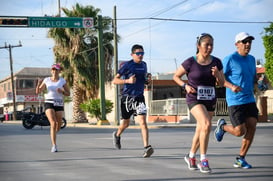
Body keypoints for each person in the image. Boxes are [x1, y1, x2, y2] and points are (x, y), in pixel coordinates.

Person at [173, 33, 225, 173]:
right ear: (198, 46)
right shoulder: (190, 62)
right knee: (207, 124)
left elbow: (221, 83)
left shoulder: (217, 62)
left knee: (201, 128)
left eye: (211, 45)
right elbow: (176, 76)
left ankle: (190, 156)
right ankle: (203, 159)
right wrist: (185, 86)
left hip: (210, 98)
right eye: (206, 45)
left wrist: (217, 75)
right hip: (194, 98)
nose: (209, 47)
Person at [214, 32, 258, 169]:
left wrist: (258, 84)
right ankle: (222, 127)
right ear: (236, 44)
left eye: (249, 42)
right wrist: (231, 86)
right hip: (235, 101)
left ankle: (241, 158)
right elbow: (219, 79)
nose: (248, 44)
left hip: (249, 99)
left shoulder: (251, 59)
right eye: (244, 42)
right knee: (240, 131)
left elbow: (253, 78)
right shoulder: (230, 59)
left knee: (252, 125)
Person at [112, 44, 154, 158]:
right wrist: (128, 81)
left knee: (143, 122)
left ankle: (147, 147)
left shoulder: (144, 65)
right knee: (125, 123)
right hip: (127, 98)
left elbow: (144, 81)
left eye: (142, 53)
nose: (140, 56)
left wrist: (147, 80)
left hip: (140, 98)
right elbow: (115, 80)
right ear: (132, 54)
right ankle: (117, 134)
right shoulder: (127, 65)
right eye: (138, 53)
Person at [36, 63, 70, 153]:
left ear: (59, 71)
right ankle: (54, 145)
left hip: (59, 103)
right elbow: (38, 91)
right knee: (53, 123)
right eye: (53, 69)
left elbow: (68, 93)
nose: (54, 71)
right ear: (51, 71)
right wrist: (38, 84)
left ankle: (54, 132)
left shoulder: (62, 81)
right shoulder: (46, 80)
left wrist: (62, 91)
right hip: (49, 102)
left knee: (58, 126)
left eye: (56, 70)